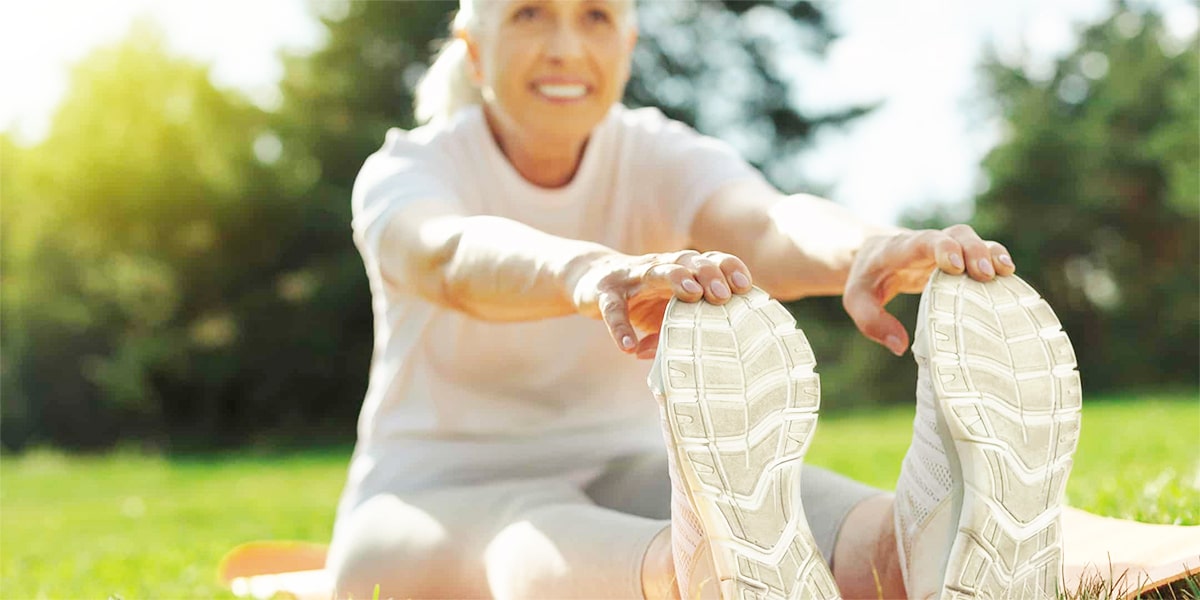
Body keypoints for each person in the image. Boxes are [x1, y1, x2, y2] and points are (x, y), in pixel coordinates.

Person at [322, 1, 1194, 598]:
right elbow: (455, 256)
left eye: (596, 14)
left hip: (638, 466)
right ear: (475, 51)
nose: (563, 46)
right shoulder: (411, 169)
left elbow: (764, 224)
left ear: (628, 42)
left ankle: (905, 549)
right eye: (528, 13)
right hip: (433, 490)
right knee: (523, 530)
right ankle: (693, 572)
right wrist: (594, 273)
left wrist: (867, 249)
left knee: (779, 498)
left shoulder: (654, 151)